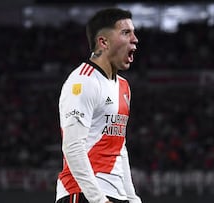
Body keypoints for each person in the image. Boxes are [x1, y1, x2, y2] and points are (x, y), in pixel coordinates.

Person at [55, 7, 141, 203]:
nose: (135, 39)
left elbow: (119, 146)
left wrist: (132, 197)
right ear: (103, 42)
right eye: (126, 33)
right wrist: (98, 200)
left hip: (115, 195)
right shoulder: (82, 82)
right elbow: (73, 146)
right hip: (82, 193)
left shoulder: (124, 86)